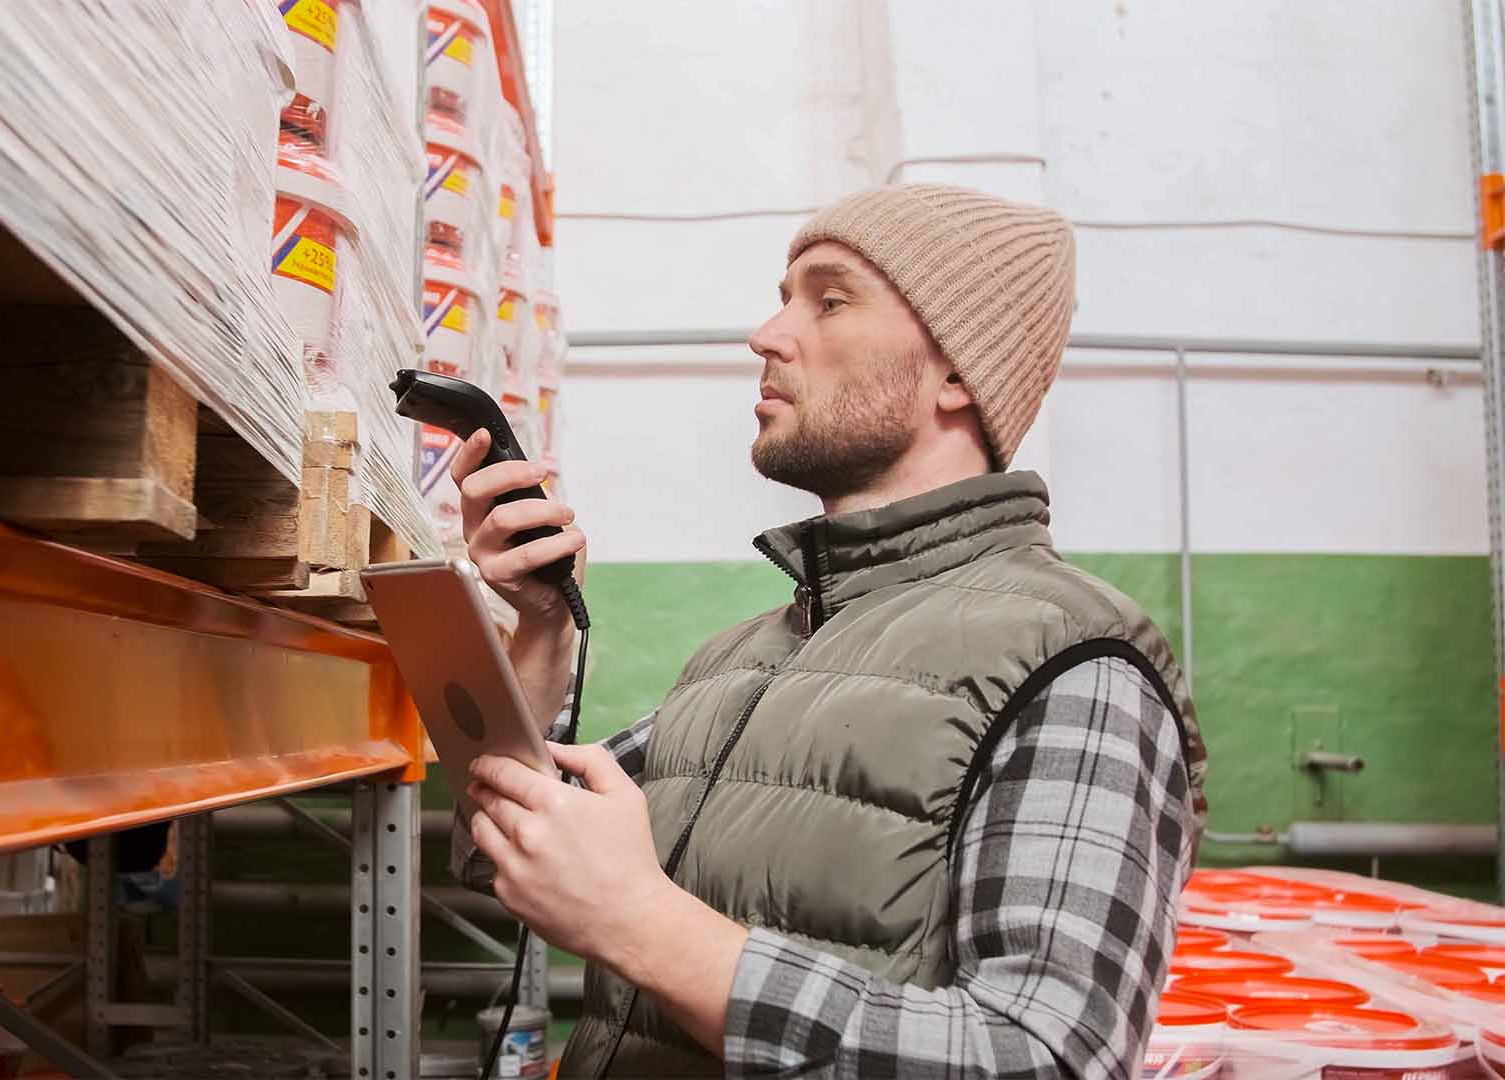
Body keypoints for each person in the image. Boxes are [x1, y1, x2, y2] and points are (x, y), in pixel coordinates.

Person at [448, 183, 1209, 1078]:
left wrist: (642, 924)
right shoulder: (737, 661)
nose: (767, 337)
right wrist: (543, 635)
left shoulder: (1079, 666)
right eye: (782, 300)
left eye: (830, 298)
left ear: (959, 374)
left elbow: (1043, 1059)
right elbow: (492, 846)